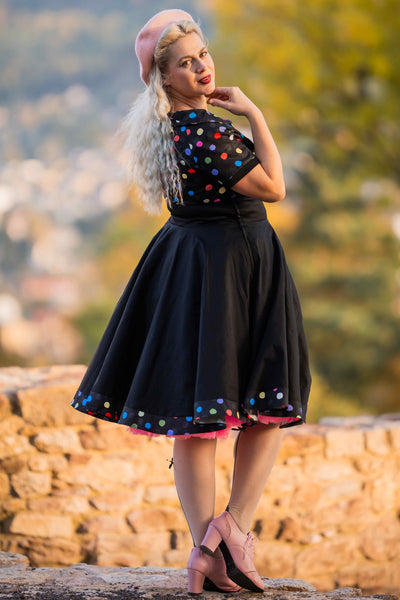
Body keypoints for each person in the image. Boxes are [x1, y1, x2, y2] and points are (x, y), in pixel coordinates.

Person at [70, 8, 312, 595]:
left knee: (200, 418)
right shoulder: (202, 129)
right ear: (165, 79)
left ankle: (209, 548)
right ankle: (227, 536)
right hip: (232, 266)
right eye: (186, 64)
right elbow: (275, 188)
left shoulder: (176, 127)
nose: (201, 68)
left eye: (202, 55)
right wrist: (253, 112)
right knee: (268, 404)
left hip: (199, 265)